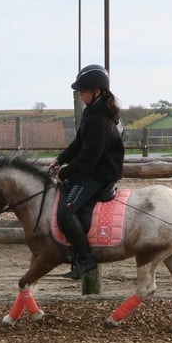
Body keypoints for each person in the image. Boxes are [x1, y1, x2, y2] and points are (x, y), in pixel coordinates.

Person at [49, 64, 125, 279]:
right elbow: (80, 142)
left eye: (83, 91)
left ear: (97, 91)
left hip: (101, 173)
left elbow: (90, 156)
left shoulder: (100, 118)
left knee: (66, 213)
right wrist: (60, 160)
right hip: (91, 169)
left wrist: (65, 173)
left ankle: (86, 260)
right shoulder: (92, 111)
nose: (80, 95)